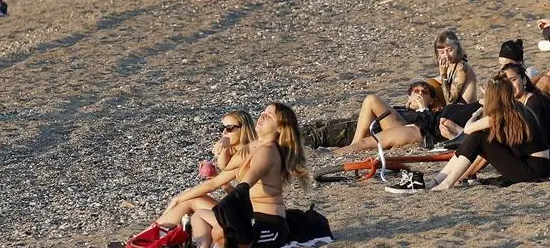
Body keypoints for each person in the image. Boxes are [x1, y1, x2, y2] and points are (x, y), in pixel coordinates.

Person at [385, 78, 550, 193]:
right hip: (535, 166)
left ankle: (444, 182)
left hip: (532, 171)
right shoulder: (514, 109)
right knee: (482, 137)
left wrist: (478, 112)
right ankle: (438, 181)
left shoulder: (500, 115)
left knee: (478, 137)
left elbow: (468, 130)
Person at [186, 103, 309, 248]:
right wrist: (224, 145)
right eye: (263, 112)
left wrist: (228, 205)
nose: (262, 115)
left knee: (222, 232)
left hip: (270, 224)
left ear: (280, 128)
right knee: (200, 216)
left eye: (269, 116)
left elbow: (246, 183)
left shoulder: (269, 150)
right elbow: (227, 166)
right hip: (250, 217)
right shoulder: (254, 146)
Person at [156, 111, 258, 226]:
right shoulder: (241, 153)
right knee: (189, 196)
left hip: (252, 217)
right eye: (222, 128)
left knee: (189, 200)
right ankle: (153, 231)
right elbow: (240, 195)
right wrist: (223, 183)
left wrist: (177, 199)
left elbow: (212, 184)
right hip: (246, 211)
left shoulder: (247, 153)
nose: (224, 132)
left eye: (229, 128)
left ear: (243, 129)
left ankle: (152, 232)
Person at [335, 81, 442, 154]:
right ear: (409, 96)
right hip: (364, 129)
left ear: (431, 100)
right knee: (324, 131)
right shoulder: (399, 108)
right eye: (416, 91)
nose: (420, 94)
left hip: (400, 130)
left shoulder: (429, 114)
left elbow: (426, 128)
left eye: (424, 92)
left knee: (371, 100)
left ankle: (353, 145)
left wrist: (422, 107)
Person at [432, 31, 479, 139]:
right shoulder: (450, 66)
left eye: (450, 50)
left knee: (445, 114)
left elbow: (450, 100)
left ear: (457, 48)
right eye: (442, 52)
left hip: (467, 109)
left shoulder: (461, 67)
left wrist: (443, 74)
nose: (446, 56)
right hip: (457, 109)